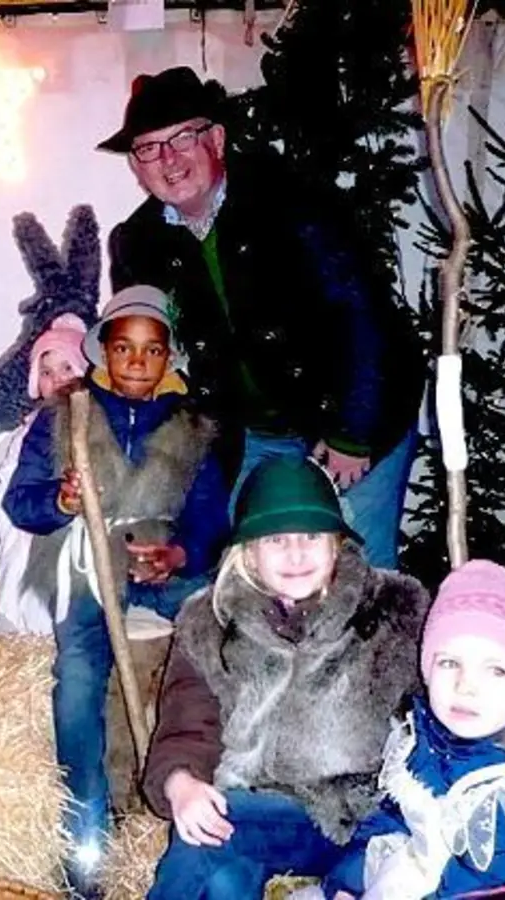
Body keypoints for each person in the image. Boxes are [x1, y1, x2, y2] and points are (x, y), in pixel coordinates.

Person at [100, 66, 426, 570]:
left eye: (183, 137)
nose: (168, 159)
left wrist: (352, 434)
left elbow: (362, 314)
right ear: (135, 167)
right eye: (149, 148)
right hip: (246, 434)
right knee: (251, 567)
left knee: (358, 568)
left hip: (351, 411)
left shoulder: (296, 203)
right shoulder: (136, 244)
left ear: (217, 139)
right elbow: (147, 354)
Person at [4, 285, 231, 895]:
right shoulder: (64, 416)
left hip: (166, 575)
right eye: (124, 347)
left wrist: (180, 554)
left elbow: (212, 519)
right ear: (102, 350)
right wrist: (61, 499)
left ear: (169, 358)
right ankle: (86, 848)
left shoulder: (192, 428)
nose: (136, 361)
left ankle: (199, 816)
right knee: (78, 680)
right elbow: (20, 503)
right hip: (88, 572)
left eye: (152, 350)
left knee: (210, 661)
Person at [143, 455, 429, 899]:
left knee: (213, 838)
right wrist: (181, 783)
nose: (296, 554)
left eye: (312, 536)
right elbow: (187, 721)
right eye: (276, 539)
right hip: (256, 806)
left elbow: (447, 701)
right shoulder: (210, 623)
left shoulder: (392, 612)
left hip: (352, 818)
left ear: (336, 543)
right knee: (223, 879)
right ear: (250, 554)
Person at [315, 560, 505, 900]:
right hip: (433, 874)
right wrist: (346, 883)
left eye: (496, 671)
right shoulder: (430, 740)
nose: (466, 686)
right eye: (449, 663)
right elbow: (393, 819)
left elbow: (488, 887)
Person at [0, 313, 89, 636]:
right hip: (29, 528)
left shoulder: (94, 424)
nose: (57, 379)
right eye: (46, 372)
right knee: (17, 601)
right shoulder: (28, 431)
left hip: (74, 542)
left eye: (67, 368)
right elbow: (7, 485)